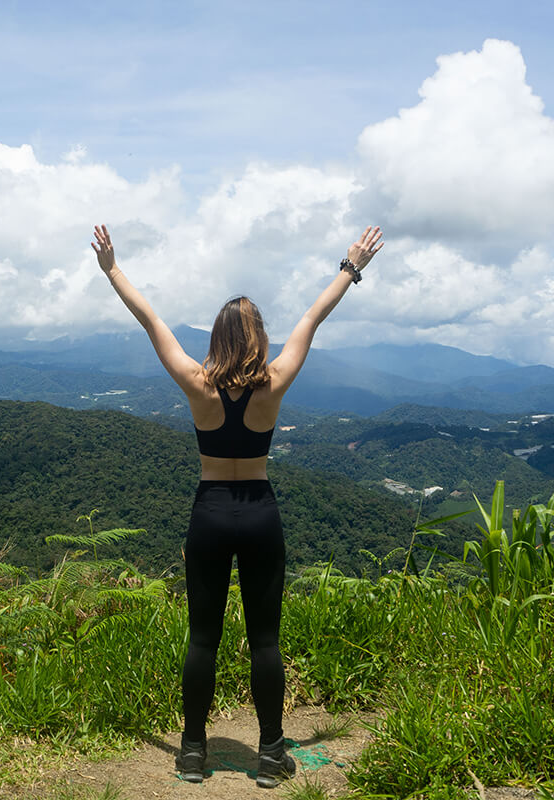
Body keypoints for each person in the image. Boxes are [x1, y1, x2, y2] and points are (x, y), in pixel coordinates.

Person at [90, 223, 383, 788]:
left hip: (210, 511)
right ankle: (271, 754)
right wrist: (350, 266)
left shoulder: (197, 383)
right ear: (257, 338)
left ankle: (193, 751)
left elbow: (151, 320)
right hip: (259, 510)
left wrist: (112, 269)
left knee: (203, 637)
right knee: (264, 639)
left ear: (218, 338)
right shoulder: (273, 383)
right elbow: (312, 318)